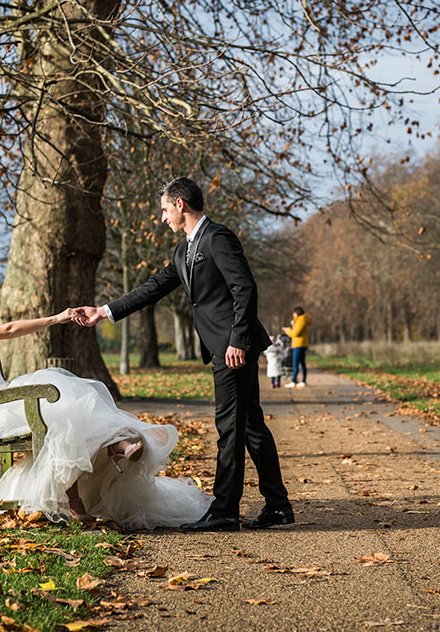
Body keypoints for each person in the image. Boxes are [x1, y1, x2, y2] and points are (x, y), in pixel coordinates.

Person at [74, 177, 293, 532]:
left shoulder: (218, 238)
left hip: (233, 347)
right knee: (251, 426)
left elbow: (244, 288)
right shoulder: (183, 251)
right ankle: (278, 505)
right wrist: (104, 310)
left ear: (180, 205)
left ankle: (224, 511)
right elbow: (153, 288)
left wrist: (237, 340)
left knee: (230, 428)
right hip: (224, 346)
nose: (162, 219)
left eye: (164, 210)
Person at [0, 270, 212, 529]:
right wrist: (56, 318)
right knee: (58, 399)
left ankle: (112, 450)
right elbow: (8, 330)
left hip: (0, 399)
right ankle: (106, 457)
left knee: (63, 401)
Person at [283, 306, 311, 388]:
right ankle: (303, 381)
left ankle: (294, 381)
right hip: (301, 343)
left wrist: (287, 330)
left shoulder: (301, 320)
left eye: (294, 314)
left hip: (299, 344)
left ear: (296, 313)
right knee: (302, 363)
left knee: (295, 363)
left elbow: (295, 333)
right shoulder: (302, 320)